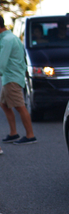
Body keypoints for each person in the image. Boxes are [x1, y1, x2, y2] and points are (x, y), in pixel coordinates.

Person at [0, 15, 37, 145]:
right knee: (4, 104)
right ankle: (13, 133)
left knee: (20, 106)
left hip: (11, 78)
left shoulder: (6, 40)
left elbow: (1, 63)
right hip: (11, 77)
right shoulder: (10, 37)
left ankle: (30, 135)